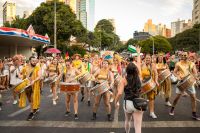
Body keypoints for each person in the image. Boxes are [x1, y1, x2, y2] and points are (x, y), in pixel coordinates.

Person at [115, 46, 143, 133]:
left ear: (127, 70)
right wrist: (138, 53)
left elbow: (119, 93)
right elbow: (138, 64)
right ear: (136, 70)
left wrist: (115, 102)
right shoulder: (139, 77)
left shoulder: (124, 79)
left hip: (128, 103)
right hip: (138, 102)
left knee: (127, 120)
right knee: (138, 127)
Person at [169, 52, 200, 120]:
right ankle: (172, 108)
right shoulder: (178, 63)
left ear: (187, 56)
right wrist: (177, 76)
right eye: (182, 55)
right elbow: (174, 72)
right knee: (177, 97)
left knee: (193, 97)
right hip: (181, 82)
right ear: (181, 56)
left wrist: (196, 78)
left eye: (185, 55)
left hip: (190, 82)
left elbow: (195, 73)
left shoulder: (192, 64)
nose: (183, 56)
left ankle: (194, 113)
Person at [141, 54, 159, 119]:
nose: (148, 59)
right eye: (146, 58)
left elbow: (156, 74)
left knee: (151, 98)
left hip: (151, 83)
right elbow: (139, 74)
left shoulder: (153, 65)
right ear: (144, 59)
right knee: (142, 98)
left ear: (151, 59)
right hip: (143, 84)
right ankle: (140, 111)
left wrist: (156, 81)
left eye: (149, 58)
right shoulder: (141, 65)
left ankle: (152, 112)